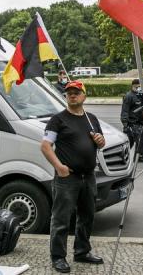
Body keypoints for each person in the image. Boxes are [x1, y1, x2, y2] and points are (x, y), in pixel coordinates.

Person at [41, 81, 105, 273]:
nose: (72, 95)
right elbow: (45, 146)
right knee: (61, 218)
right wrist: (59, 167)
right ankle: (58, 257)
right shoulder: (58, 120)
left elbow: (100, 142)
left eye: (76, 92)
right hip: (68, 177)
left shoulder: (91, 118)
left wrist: (101, 141)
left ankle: (82, 251)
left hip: (88, 176)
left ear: (84, 96)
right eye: (69, 93)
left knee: (87, 216)